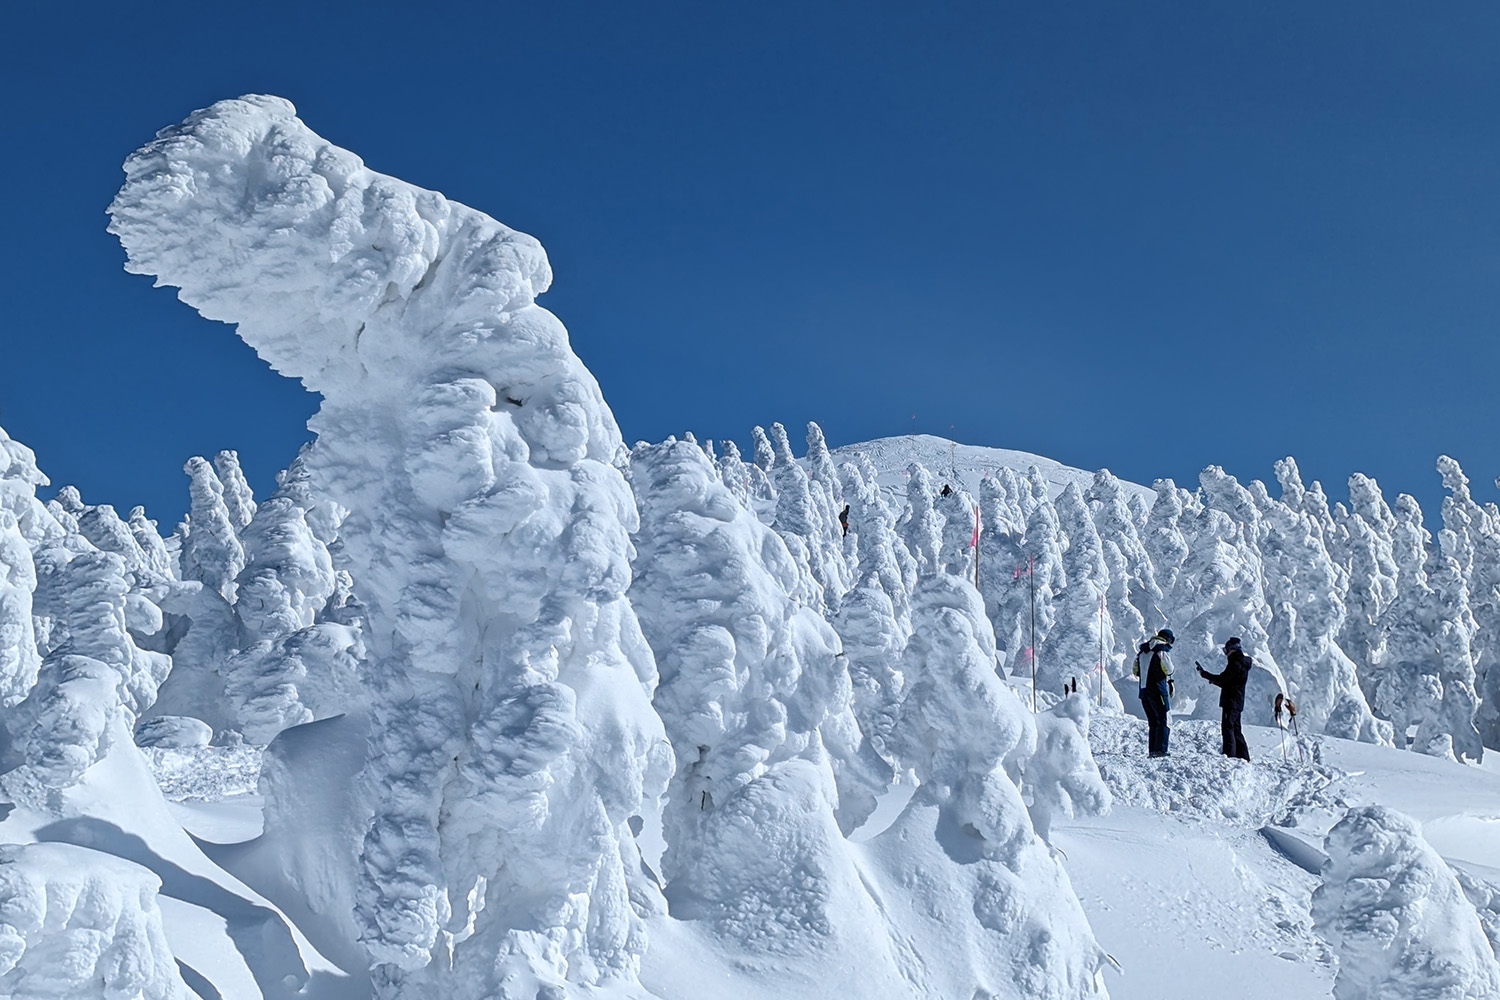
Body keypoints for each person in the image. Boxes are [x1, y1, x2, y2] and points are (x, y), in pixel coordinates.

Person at [1197, 637, 1252, 761]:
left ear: (1232, 650)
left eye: (1227, 650)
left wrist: (1204, 674)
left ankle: (1229, 756)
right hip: (1237, 700)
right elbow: (1227, 681)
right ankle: (1243, 757)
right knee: (1236, 728)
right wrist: (1212, 679)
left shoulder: (1235, 663)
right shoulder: (1242, 662)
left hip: (1231, 700)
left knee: (1228, 728)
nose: (1226, 653)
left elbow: (1223, 679)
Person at [1133, 628, 1175, 757]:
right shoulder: (1161, 650)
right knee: (1164, 719)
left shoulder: (1142, 652)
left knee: (1153, 721)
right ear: (1167, 639)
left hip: (1144, 691)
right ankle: (1161, 750)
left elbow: (1135, 671)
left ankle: (1152, 750)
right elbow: (1169, 669)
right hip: (1158, 689)